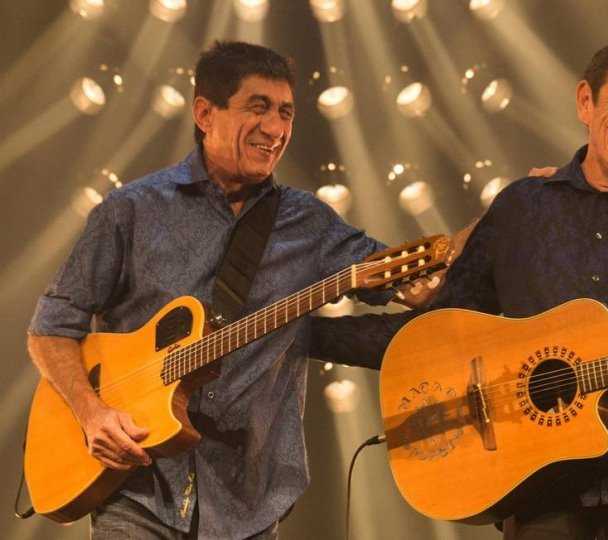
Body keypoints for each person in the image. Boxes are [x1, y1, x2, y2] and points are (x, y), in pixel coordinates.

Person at [311, 41, 608, 539]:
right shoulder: (522, 208)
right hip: (539, 492)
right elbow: (434, 335)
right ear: (586, 102)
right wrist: (304, 335)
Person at [26, 41, 443, 539]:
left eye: (286, 112)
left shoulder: (309, 222)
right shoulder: (131, 210)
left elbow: (410, 282)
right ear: (205, 113)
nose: (276, 128)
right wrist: (91, 412)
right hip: (138, 494)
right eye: (258, 107)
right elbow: (50, 329)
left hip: (248, 505)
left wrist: (448, 267)